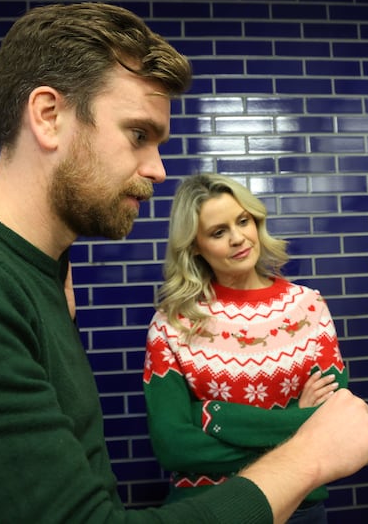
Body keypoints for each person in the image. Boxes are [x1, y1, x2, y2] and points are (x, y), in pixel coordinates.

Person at [0, 2, 368, 524]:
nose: (158, 170)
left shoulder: (23, 271)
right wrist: (308, 455)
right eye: (139, 134)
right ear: (48, 116)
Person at [143, 174, 345, 523]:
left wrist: (209, 416)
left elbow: (332, 424)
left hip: (300, 506)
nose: (238, 239)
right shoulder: (172, 324)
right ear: (194, 245)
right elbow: (172, 446)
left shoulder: (308, 307)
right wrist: (297, 425)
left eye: (243, 221)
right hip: (209, 509)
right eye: (218, 232)